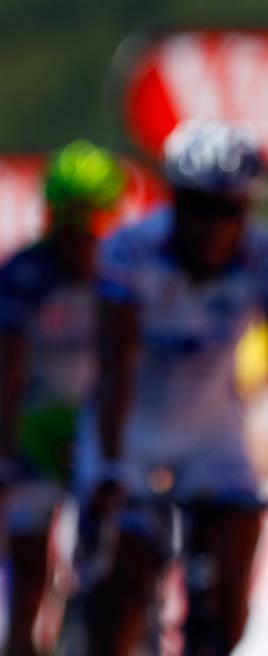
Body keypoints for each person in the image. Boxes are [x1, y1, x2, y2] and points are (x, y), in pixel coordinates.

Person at [74, 119, 268, 656]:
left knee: (231, 584)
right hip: (130, 430)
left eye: (230, 211)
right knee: (120, 588)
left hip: (214, 435)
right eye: (199, 208)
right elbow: (113, 366)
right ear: (174, 200)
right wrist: (112, 468)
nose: (214, 226)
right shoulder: (127, 250)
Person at [0, 141, 125, 656]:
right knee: (29, 579)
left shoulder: (118, 275)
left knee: (108, 566)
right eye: (67, 220)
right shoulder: (24, 275)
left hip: (94, 428)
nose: (78, 235)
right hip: (31, 433)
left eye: (89, 221)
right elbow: (7, 372)